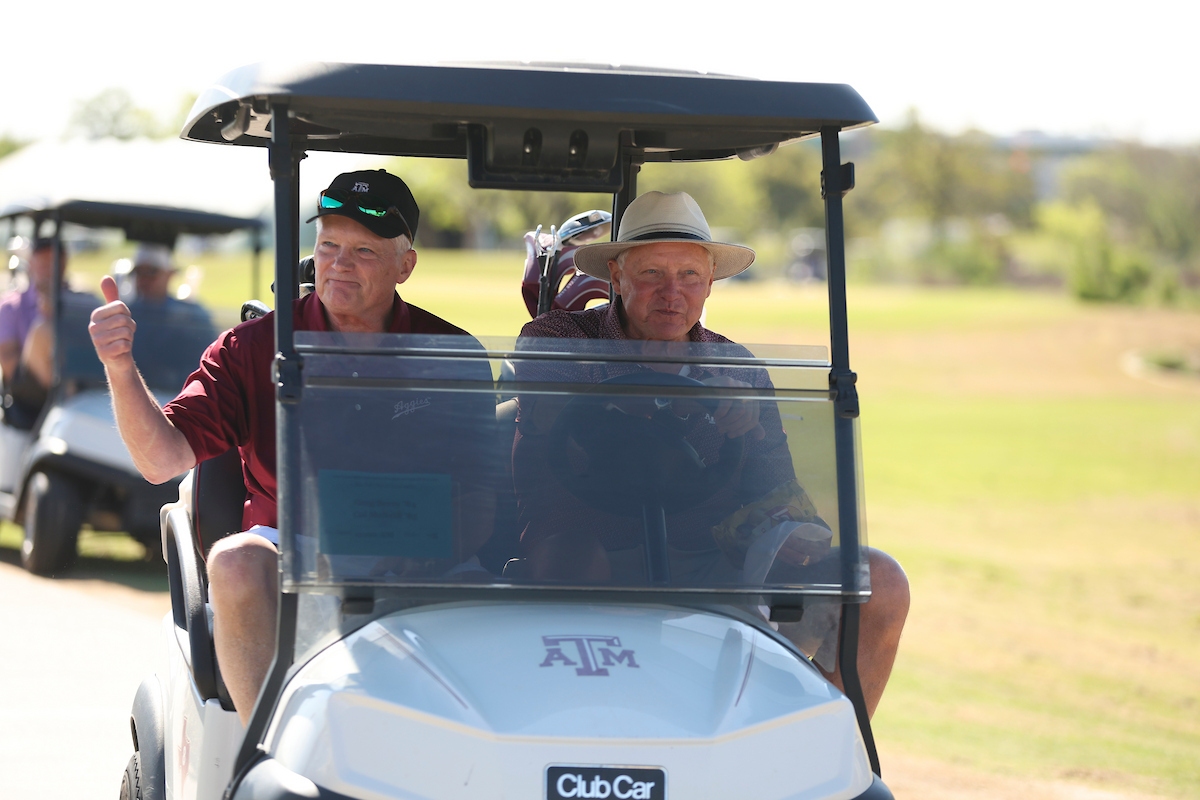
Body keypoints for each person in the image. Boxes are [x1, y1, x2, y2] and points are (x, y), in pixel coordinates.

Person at [89, 169, 471, 724]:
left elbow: (479, 496)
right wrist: (120, 368)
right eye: (329, 246)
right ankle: (267, 748)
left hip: (416, 551)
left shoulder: (451, 353)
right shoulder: (252, 348)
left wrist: (415, 549)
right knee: (235, 561)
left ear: (404, 265)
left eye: (364, 251)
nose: (339, 264)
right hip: (289, 554)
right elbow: (160, 459)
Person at [513, 191, 909, 718]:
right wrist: (682, 404)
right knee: (576, 561)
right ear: (617, 275)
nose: (671, 293)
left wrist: (783, 505)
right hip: (589, 544)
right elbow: (551, 421)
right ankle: (593, 727)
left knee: (880, 582)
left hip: (711, 556)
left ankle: (825, 735)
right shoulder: (557, 337)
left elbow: (778, 488)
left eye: (689, 277)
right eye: (652, 274)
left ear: (710, 283)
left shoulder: (736, 366)